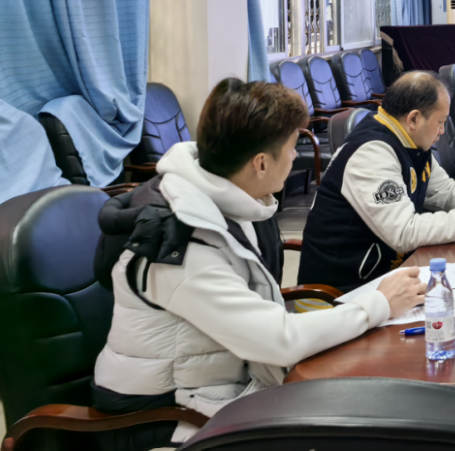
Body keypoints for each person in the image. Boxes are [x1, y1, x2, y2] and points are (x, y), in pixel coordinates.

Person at [92, 80, 426, 446]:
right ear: (261, 163)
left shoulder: (233, 201)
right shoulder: (182, 243)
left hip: (224, 387)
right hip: (168, 417)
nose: (295, 157)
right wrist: (379, 303)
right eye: (291, 148)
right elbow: (279, 341)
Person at [298, 71, 455, 292]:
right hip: (341, 291)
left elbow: (445, 191)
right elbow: (405, 231)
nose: (442, 131)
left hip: (386, 278)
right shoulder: (372, 153)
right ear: (414, 119)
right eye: (440, 122)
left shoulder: (408, 139)